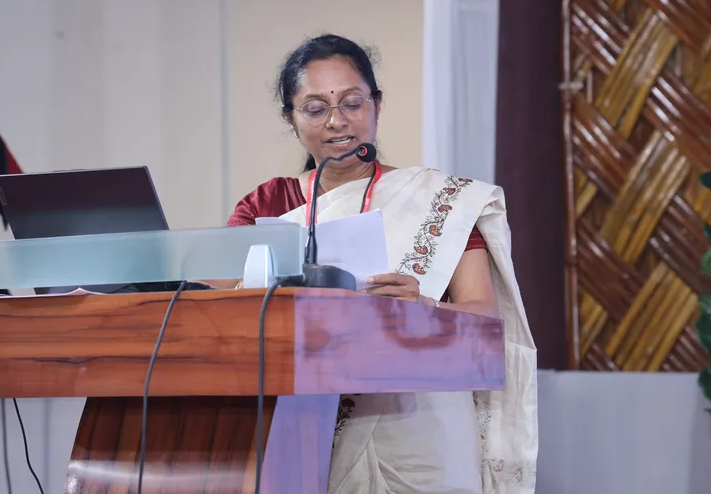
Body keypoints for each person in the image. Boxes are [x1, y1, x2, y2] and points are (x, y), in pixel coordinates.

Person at [227, 34, 538, 494]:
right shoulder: (269, 204)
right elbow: (218, 302)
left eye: (352, 103)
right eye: (315, 109)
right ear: (291, 119)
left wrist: (425, 306)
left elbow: (485, 317)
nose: (337, 121)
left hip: (422, 433)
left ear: (377, 104)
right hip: (308, 426)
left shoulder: (440, 201)